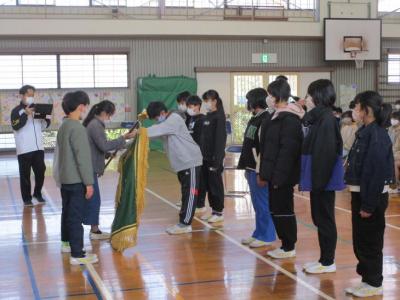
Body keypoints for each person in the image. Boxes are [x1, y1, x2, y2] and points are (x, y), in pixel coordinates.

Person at [344, 91, 393, 297]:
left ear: (367, 110)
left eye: (357, 107)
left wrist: (368, 205)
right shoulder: (365, 131)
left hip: (371, 196)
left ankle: (374, 283)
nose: (354, 111)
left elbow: (375, 173)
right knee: (361, 241)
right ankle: (367, 280)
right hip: (360, 194)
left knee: (370, 242)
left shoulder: (377, 135)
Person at [300, 79, 345, 274]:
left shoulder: (327, 120)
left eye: (309, 96)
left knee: (325, 219)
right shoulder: (318, 118)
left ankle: (328, 261)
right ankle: (323, 259)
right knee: (319, 219)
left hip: (323, 180)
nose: (306, 99)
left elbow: (325, 154)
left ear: (318, 97)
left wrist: (318, 182)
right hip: (317, 179)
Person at [259, 79, 304, 259]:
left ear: (277, 96)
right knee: (275, 209)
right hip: (272, 173)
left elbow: (288, 151)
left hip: (283, 175)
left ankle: (289, 245)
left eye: (270, 94)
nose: (268, 98)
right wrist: (264, 173)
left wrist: (278, 176)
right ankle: (284, 243)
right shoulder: (274, 115)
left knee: (284, 209)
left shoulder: (290, 119)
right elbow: (267, 148)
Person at [143, 101, 203, 234]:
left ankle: (185, 224)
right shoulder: (165, 123)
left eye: (157, 117)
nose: (157, 121)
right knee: (185, 192)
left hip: (190, 161)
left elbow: (154, 130)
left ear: (163, 113)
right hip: (182, 163)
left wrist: (139, 132)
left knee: (190, 194)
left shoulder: (174, 119)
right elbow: (154, 133)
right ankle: (183, 220)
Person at [82, 100, 136, 240]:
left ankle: (94, 229)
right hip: (90, 168)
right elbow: (104, 145)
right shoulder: (95, 125)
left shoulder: (94, 123)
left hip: (90, 166)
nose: (109, 117)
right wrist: (123, 138)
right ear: (105, 113)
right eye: (110, 114)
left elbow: (95, 147)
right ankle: (94, 231)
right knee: (94, 199)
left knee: (93, 199)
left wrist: (106, 154)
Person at [55, 91, 98, 265]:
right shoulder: (77, 128)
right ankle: (77, 254)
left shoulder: (63, 126)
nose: (85, 109)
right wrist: (89, 182)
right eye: (85, 106)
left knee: (67, 213)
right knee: (75, 216)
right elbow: (83, 159)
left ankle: (66, 243)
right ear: (81, 106)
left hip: (65, 179)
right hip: (76, 181)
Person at [238, 88, 276, 248]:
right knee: (257, 205)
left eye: (249, 100)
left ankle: (267, 236)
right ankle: (259, 233)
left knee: (263, 204)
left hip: (259, 170)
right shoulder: (255, 118)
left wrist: (261, 172)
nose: (247, 103)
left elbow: (265, 149)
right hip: (250, 168)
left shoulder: (266, 119)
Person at [11, 85, 51, 207]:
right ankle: (26, 198)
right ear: (22, 96)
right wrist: (25, 114)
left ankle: (37, 193)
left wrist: (45, 117)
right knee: (25, 175)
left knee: (41, 171)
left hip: (38, 147)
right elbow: (16, 126)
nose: (31, 97)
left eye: (33, 95)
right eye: (29, 95)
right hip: (24, 148)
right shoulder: (16, 111)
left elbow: (44, 126)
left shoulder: (37, 109)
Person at [199, 90, 227, 223]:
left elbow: (220, 140)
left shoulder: (219, 117)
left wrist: (217, 158)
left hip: (214, 158)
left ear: (214, 101)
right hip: (204, 157)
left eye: (207, 100)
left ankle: (219, 211)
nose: (206, 103)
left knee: (216, 185)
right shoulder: (207, 117)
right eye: (204, 101)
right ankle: (213, 210)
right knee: (209, 185)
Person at [185, 95, 207, 214]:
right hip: (190, 155)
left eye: (191, 106)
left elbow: (201, 140)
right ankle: (194, 201)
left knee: (200, 181)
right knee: (192, 181)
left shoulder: (202, 119)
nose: (189, 108)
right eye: (188, 106)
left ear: (198, 106)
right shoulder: (190, 118)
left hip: (199, 155)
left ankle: (200, 204)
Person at [388, 111, 400, 193]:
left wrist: (392, 155)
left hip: (397, 154)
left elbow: (397, 148)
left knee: (394, 163)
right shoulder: (390, 129)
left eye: (395, 119)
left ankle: (394, 186)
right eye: (392, 118)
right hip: (392, 153)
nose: (393, 120)